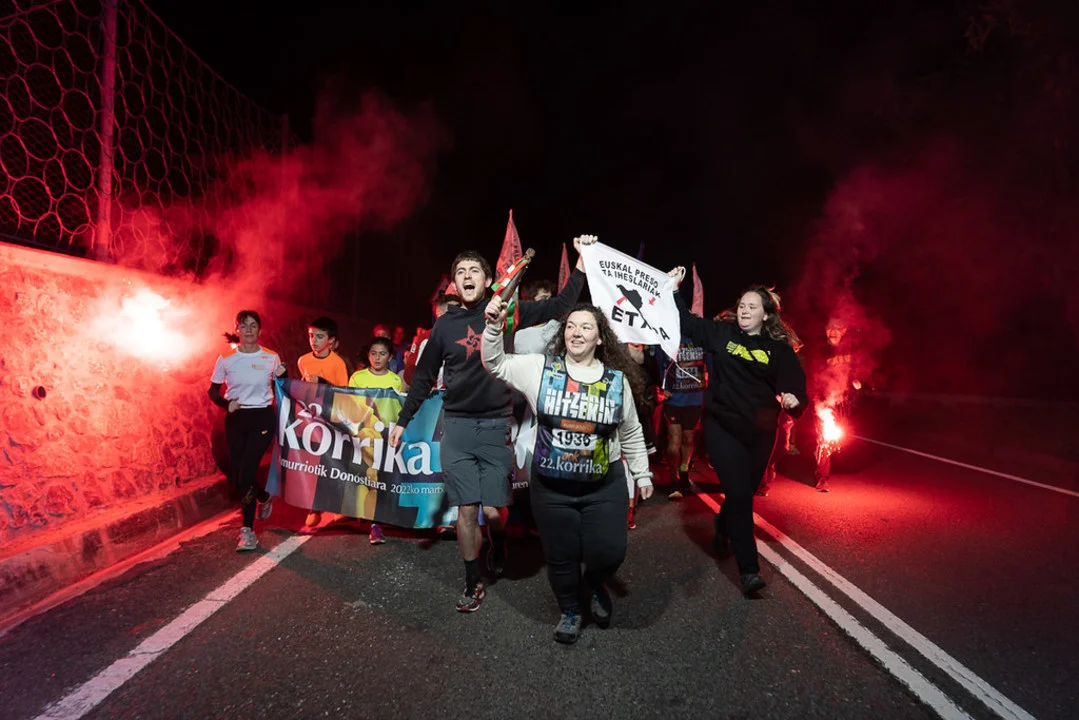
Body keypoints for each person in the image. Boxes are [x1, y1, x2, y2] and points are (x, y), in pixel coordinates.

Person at [389, 237, 591, 613]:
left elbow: (561, 306)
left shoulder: (507, 311)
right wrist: (404, 420)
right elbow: (424, 378)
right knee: (467, 510)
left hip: (497, 425)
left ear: (486, 280)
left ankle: (499, 541)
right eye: (460, 272)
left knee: (495, 511)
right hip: (457, 428)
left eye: (474, 271)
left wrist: (581, 263)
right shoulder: (443, 327)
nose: (467, 276)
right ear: (454, 284)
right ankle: (472, 581)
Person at [481, 297, 653, 643]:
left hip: (603, 485)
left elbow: (631, 430)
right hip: (552, 486)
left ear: (600, 338)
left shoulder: (616, 381)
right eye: (571, 326)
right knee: (561, 556)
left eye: (586, 327)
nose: (576, 332)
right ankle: (570, 610)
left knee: (610, 551)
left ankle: (595, 582)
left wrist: (642, 472)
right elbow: (495, 363)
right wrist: (494, 327)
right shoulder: (541, 369)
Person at [670, 268, 807, 595]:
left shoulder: (779, 351)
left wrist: (792, 401)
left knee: (740, 493)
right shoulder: (722, 334)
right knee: (742, 497)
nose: (744, 310)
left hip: (760, 434)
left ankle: (722, 526)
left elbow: (798, 393)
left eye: (752, 307)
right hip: (723, 428)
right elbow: (686, 322)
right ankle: (749, 570)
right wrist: (674, 290)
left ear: (766, 315)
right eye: (742, 305)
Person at [207, 310, 286, 551]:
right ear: (237, 330)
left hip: (262, 418)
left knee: (246, 472)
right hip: (236, 419)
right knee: (240, 473)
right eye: (244, 326)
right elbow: (213, 391)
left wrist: (284, 375)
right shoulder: (226, 359)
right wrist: (226, 404)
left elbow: (283, 386)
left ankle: (247, 531)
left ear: (260, 330)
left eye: (253, 325)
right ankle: (263, 496)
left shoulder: (270, 357)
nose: (249, 330)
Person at [342, 336, 406, 545]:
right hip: (363, 437)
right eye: (374, 353)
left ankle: (376, 523)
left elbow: (398, 409)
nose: (377, 358)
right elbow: (349, 405)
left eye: (382, 354)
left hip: (386, 437)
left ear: (390, 357)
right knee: (366, 479)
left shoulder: (395, 381)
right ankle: (370, 520)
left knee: (381, 479)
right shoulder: (357, 378)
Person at [656, 337, 708, 500]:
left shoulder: (701, 338)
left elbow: (710, 363)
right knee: (674, 442)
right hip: (673, 399)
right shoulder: (666, 337)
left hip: (695, 398)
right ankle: (674, 480)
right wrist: (660, 387)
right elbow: (656, 365)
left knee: (689, 438)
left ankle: (684, 469)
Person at [297, 316, 349, 386]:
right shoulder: (302, 361)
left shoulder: (338, 364)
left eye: (320, 337)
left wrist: (322, 381)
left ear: (331, 339)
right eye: (311, 335)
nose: (313, 340)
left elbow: (342, 390)